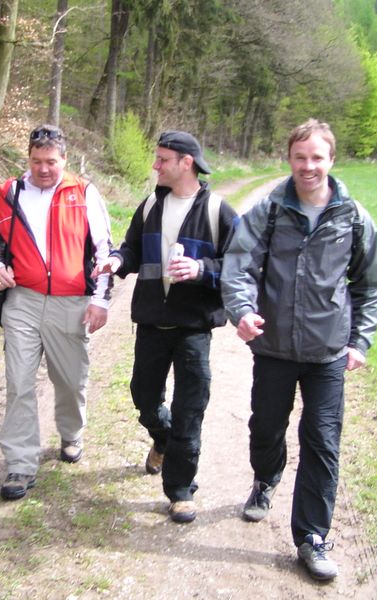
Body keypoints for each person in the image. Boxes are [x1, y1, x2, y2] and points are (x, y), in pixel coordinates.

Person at [221, 119, 377, 580]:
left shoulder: (353, 217)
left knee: (322, 441)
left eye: (317, 157)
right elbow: (238, 266)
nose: (308, 166)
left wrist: (360, 340)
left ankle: (312, 536)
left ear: (331, 160)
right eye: (300, 157)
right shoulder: (269, 211)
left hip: (328, 352)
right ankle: (266, 478)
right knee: (266, 428)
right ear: (289, 159)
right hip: (273, 347)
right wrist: (242, 311)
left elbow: (371, 284)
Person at [93, 131, 238, 524]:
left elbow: (241, 264)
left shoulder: (218, 211)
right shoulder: (150, 205)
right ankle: (163, 438)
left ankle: (180, 490)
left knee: (189, 409)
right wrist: (117, 261)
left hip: (193, 328)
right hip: (152, 323)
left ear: (186, 163)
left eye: (162, 159)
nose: (155, 165)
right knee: (144, 397)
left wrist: (201, 269)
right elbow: (132, 249)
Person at [0, 124, 113, 501]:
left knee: (70, 380)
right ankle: (20, 463)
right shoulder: (11, 192)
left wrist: (100, 300)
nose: (43, 168)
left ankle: (71, 433)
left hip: (70, 302)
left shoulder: (83, 193)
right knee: (19, 382)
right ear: (28, 158)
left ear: (64, 160)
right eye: (36, 161)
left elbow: (104, 249)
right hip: (22, 301)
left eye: (51, 162)